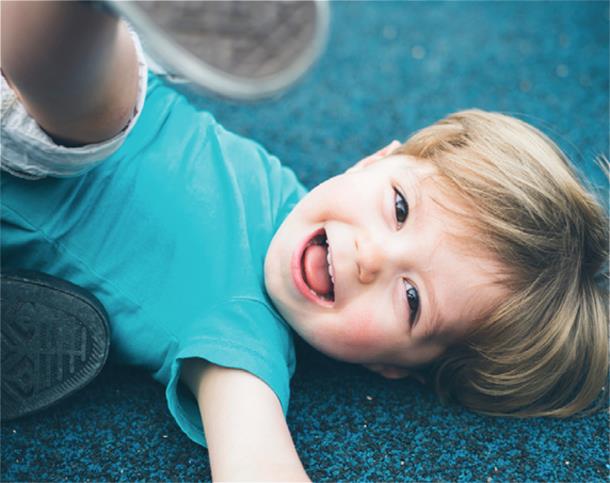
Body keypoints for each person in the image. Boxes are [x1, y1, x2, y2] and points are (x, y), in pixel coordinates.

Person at [1, 2, 607, 480]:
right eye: (398, 207)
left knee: (87, 103)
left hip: (51, 140)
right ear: (374, 160)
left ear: (393, 369)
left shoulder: (243, 333)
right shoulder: (286, 195)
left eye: (412, 299)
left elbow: (258, 461)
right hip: (124, 82)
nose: (372, 256)